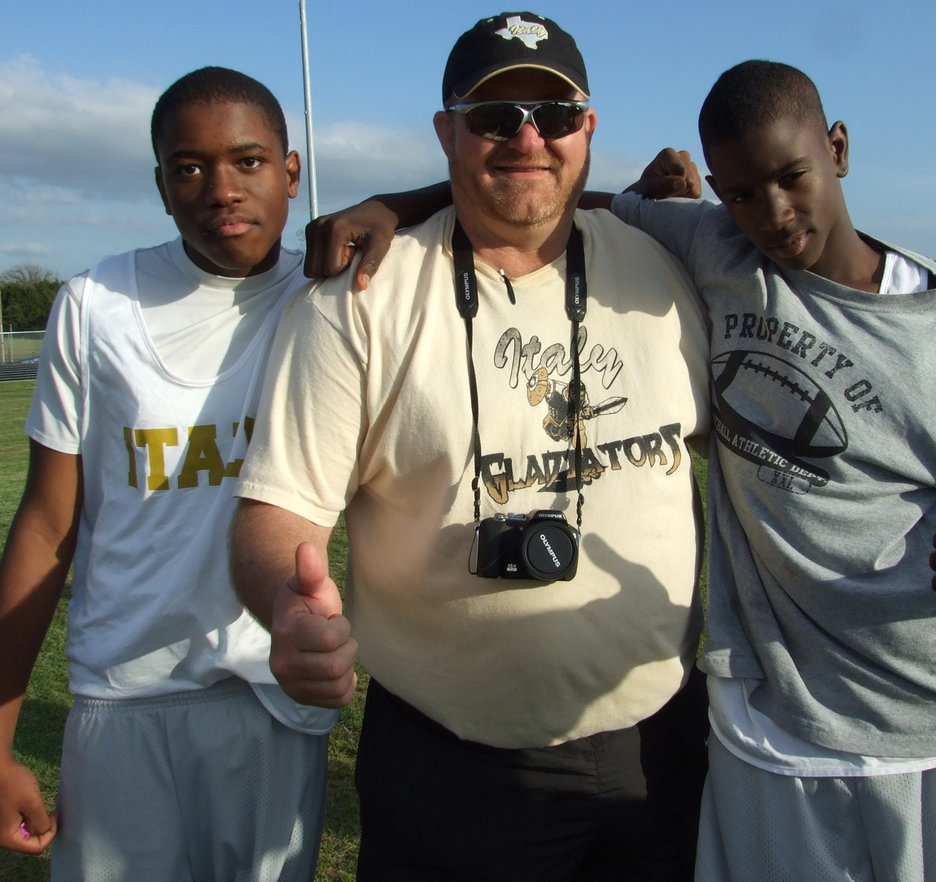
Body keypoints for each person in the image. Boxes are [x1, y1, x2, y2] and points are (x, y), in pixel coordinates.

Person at [317, 58, 936, 882]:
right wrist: (392, 207)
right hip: (765, 737)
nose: (771, 212)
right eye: (738, 191)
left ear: (837, 149)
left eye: (791, 177)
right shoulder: (715, 248)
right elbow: (537, 191)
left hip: (929, 729)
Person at [230, 12, 711, 882]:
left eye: (555, 115)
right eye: (493, 117)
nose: (528, 137)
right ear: (446, 131)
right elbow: (275, 513)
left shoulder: (668, 270)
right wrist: (290, 608)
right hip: (451, 767)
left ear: (589, 128)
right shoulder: (358, 301)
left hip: (664, 744)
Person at [0, 67, 335, 881]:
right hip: (123, 695)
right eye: (189, 168)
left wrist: (627, 199)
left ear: (292, 171)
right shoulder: (97, 301)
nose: (221, 189)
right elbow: (48, 523)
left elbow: (479, 210)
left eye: (248, 161)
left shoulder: (330, 294)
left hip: (273, 697)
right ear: (162, 185)